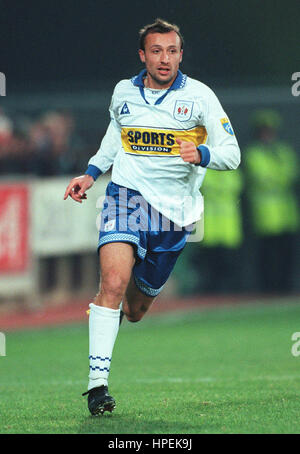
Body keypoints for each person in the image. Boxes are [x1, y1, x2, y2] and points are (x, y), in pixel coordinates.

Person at [64, 18, 240, 416]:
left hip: (174, 215)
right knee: (111, 281)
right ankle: (97, 388)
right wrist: (91, 173)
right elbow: (116, 131)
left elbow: (233, 152)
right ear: (143, 55)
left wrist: (204, 154)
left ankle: (112, 313)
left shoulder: (200, 98)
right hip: (125, 197)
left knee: (135, 310)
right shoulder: (124, 92)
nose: (165, 59)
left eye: (173, 51)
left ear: (181, 54)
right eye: (157, 51)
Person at [244, 109, 299, 294]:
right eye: (264, 130)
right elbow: (261, 176)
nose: (268, 134)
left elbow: (291, 173)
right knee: (267, 255)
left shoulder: (283, 151)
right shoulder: (253, 153)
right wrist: (278, 177)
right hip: (265, 214)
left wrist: (276, 178)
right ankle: (268, 289)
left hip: (286, 213)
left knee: (287, 254)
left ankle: (286, 288)